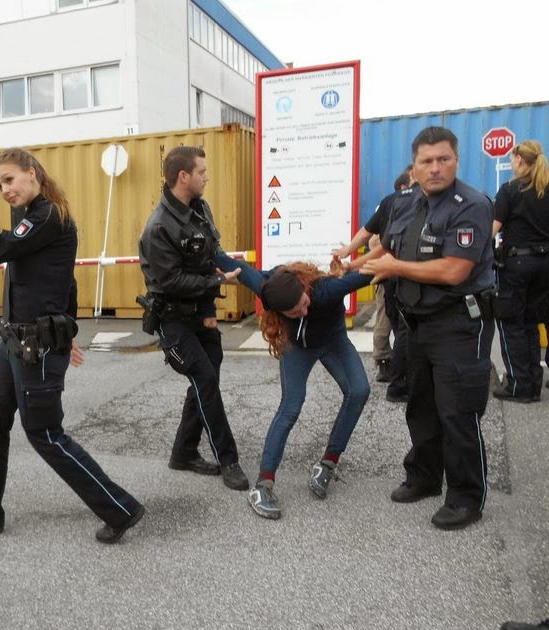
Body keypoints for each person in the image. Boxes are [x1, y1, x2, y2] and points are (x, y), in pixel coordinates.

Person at [0, 147, 146, 544]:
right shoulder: (30, 215)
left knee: (45, 434)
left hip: (36, 346)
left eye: (9, 180)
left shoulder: (48, 216)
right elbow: (63, 282)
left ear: (32, 173)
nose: (4, 190)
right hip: (14, 342)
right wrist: (67, 332)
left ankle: (119, 508)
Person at [361, 126, 496, 531]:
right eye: (427, 161)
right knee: (420, 405)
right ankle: (424, 476)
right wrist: (350, 266)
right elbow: (387, 245)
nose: (435, 168)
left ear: (456, 161)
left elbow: (454, 270)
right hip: (416, 322)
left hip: (459, 322)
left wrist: (394, 268)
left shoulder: (471, 205)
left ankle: (466, 497)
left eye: (443, 159)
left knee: (457, 411)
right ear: (415, 167)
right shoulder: (405, 202)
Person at [213, 250, 374, 519]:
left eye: (304, 302)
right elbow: (230, 264)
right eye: (296, 311)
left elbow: (374, 272)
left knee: (359, 391)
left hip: (333, 341)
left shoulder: (325, 290)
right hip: (298, 348)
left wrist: (388, 257)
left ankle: (327, 464)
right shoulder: (266, 287)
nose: (305, 310)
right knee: (291, 407)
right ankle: (263, 486)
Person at [137, 145, 249, 491]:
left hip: (201, 315)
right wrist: (218, 282)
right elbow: (171, 282)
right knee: (205, 379)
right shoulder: (158, 227)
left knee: (206, 380)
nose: (207, 177)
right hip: (173, 321)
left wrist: (212, 309)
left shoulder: (200, 209)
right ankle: (228, 459)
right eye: (202, 171)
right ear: (183, 176)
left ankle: (183, 452)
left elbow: (211, 255)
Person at [333, 167, 413, 394]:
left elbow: (370, 236)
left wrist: (349, 255)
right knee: (405, 330)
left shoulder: (389, 203)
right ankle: (399, 382)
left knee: (396, 324)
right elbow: (380, 243)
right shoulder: (411, 203)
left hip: (389, 276)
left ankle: (396, 374)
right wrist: (351, 259)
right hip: (404, 277)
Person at [490, 139, 549, 403]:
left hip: (517, 264)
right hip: (544, 264)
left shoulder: (510, 190)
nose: (511, 164)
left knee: (511, 323)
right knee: (530, 323)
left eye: (512, 159)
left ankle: (518, 385)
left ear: (520, 160)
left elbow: (492, 228)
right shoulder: (545, 188)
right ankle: (534, 383)